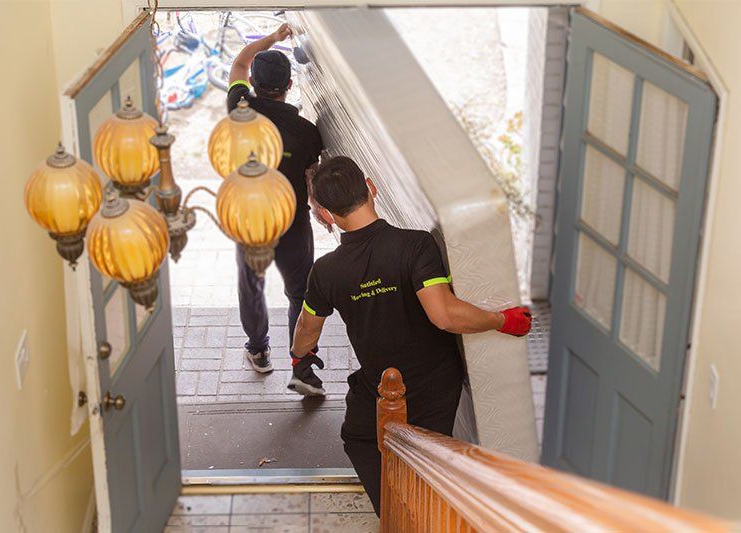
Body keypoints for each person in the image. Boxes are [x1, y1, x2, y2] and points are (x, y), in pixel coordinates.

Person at [288, 156, 532, 514]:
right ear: (371, 188)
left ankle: (398, 515)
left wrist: (299, 355)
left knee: (361, 439)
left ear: (325, 214)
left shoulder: (325, 273)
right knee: (424, 456)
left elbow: (307, 331)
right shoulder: (415, 246)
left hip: (383, 384)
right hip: (435, 385)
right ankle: (412, 513)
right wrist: (502, 320)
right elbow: (445, 315)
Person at [227, 23, 323, 375]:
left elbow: (238, 64)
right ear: (290, 86)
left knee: (251, 286)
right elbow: (311, 176)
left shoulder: (239, 109)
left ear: (253, 84)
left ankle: (259, 352)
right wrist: (319, 209)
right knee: (301, 294)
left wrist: (271, 38)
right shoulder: (308, 132)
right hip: (293, 221)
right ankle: (302, 366)